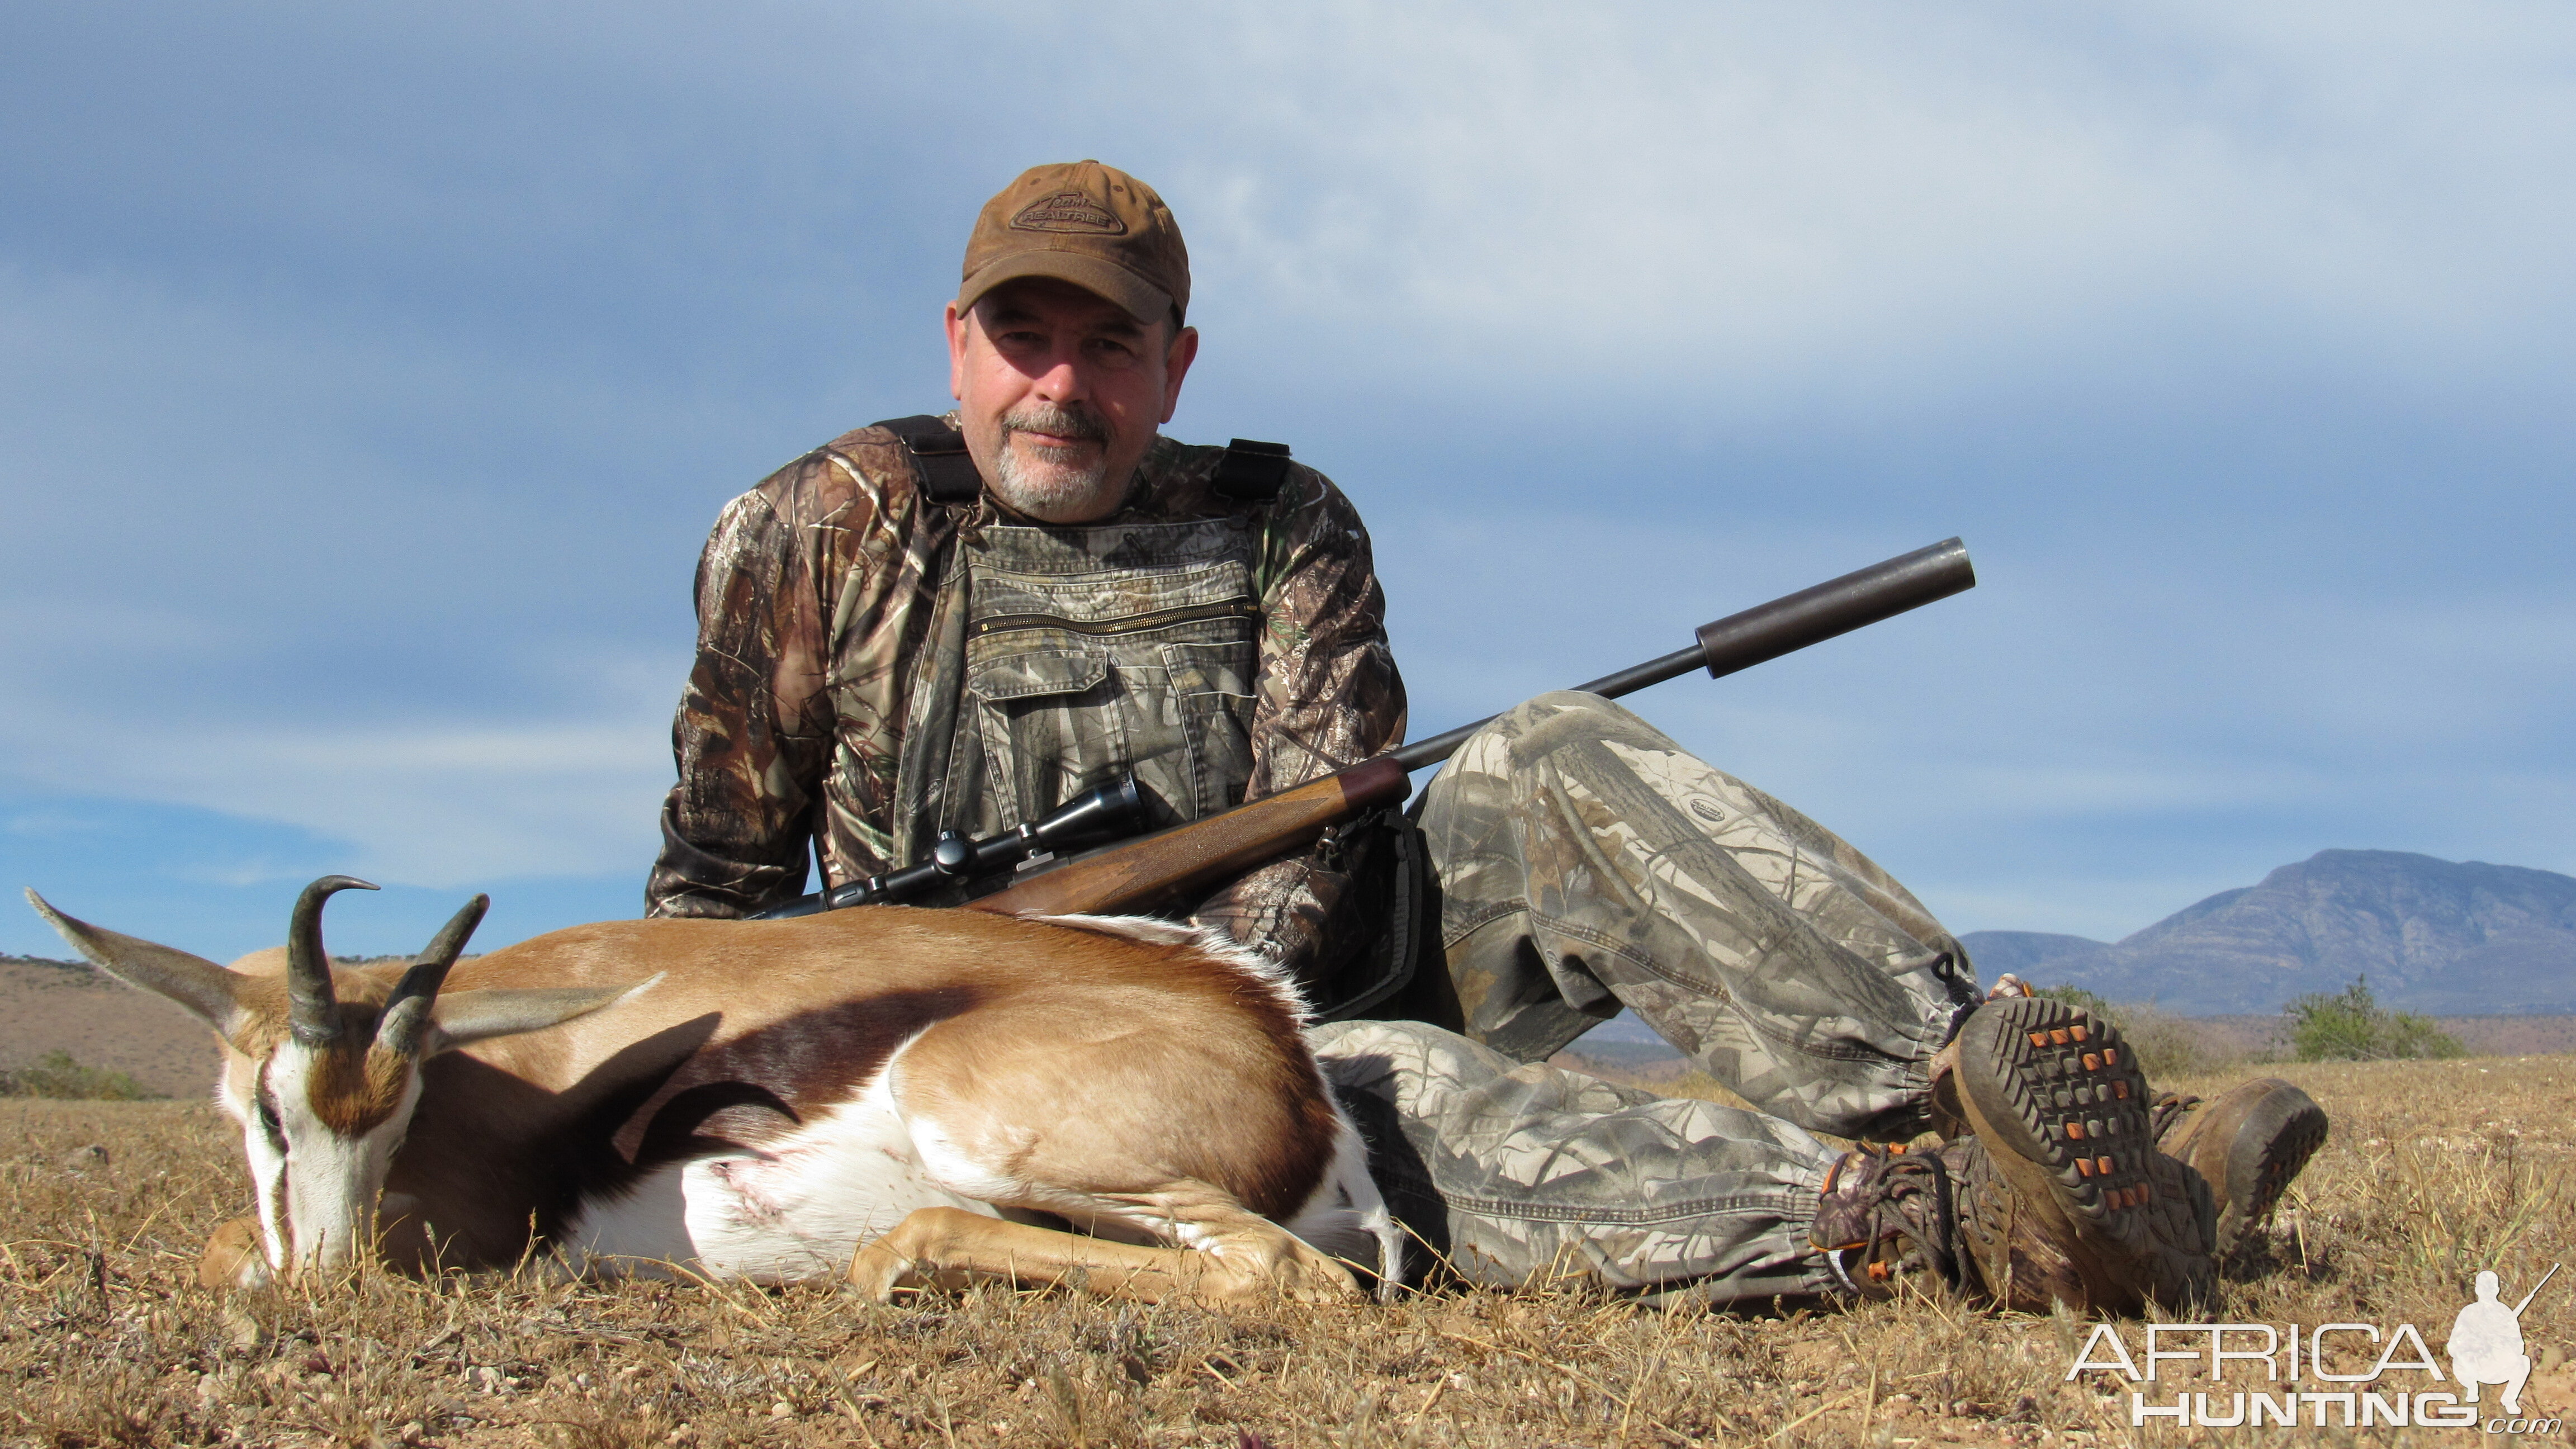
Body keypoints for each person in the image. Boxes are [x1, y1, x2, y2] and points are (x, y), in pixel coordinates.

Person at [647, 159, 2327, 1313]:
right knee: (1393, 1097)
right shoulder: (816, 533)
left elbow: (1308, 858)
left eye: (1110, 345)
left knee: (1553, 748)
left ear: (1178, 363)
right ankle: (1978, 1237)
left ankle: (1990, 1086)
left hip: (1298, 979)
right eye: (1024, 340)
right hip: (1019, 1078)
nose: (1060, 389)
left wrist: (1214, 1003)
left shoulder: (1284, 521)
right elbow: (709, 900)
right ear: (957, 346)